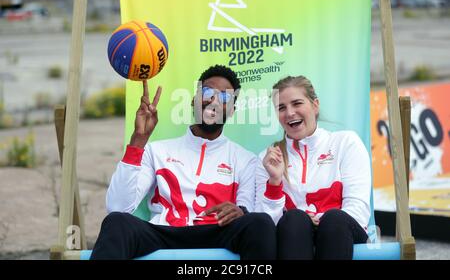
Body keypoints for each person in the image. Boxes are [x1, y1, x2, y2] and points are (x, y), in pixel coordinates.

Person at [91, 65, 276, 260]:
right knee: (117, 222)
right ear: (194, 100)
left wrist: (241, 211)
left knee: (259, 222)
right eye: (207, 92)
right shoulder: (156, 150)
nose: (213, 100)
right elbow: (118, 207)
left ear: (231, 111)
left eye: (224, 97)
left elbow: (245, 208)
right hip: (164, 234)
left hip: (217, 233)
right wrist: (138, 141)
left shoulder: (245, 159)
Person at [255, 75, 371, 260]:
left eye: (297, 103)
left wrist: (319, 223)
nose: (290, 113)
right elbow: (264, 227)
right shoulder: (267, 159)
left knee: (334, 220)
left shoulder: (346, 142)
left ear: (315, 105)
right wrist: (275, 182)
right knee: (294, 220)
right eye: (281, 108)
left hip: (342, 234)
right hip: (294, 237)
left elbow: (358, 210)